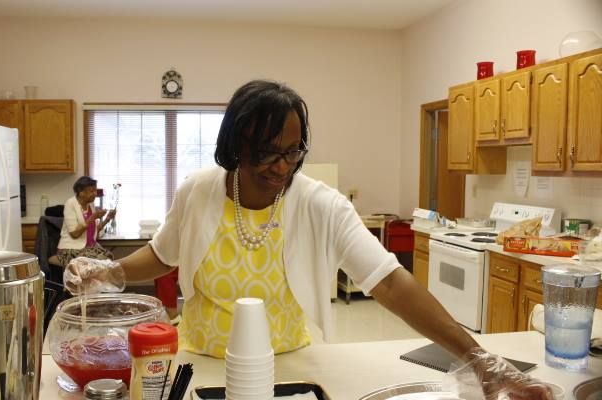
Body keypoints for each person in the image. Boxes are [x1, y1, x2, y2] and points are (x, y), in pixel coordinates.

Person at [108, 80, 550, 399]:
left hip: (291, 364)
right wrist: (113, 271)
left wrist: (479, 358)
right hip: (201, 363)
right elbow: (162, 256)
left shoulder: (321, 204)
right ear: (235, 146)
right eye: (265, 152)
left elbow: (389, 282)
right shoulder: (198, 191)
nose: (280, 167)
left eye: (292, 151)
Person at [57, 176, 116, 267]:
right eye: (92, 191)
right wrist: (92, 218)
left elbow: (94, 232)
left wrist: (107, 219)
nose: (95, 194)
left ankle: (98, 281)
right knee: (99, 262)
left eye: (95, 190)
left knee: (109, 257)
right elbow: (75, 234)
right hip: (70, 249)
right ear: (81, 193)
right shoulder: (70, 204)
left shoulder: (90, 205)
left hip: (88, 247)